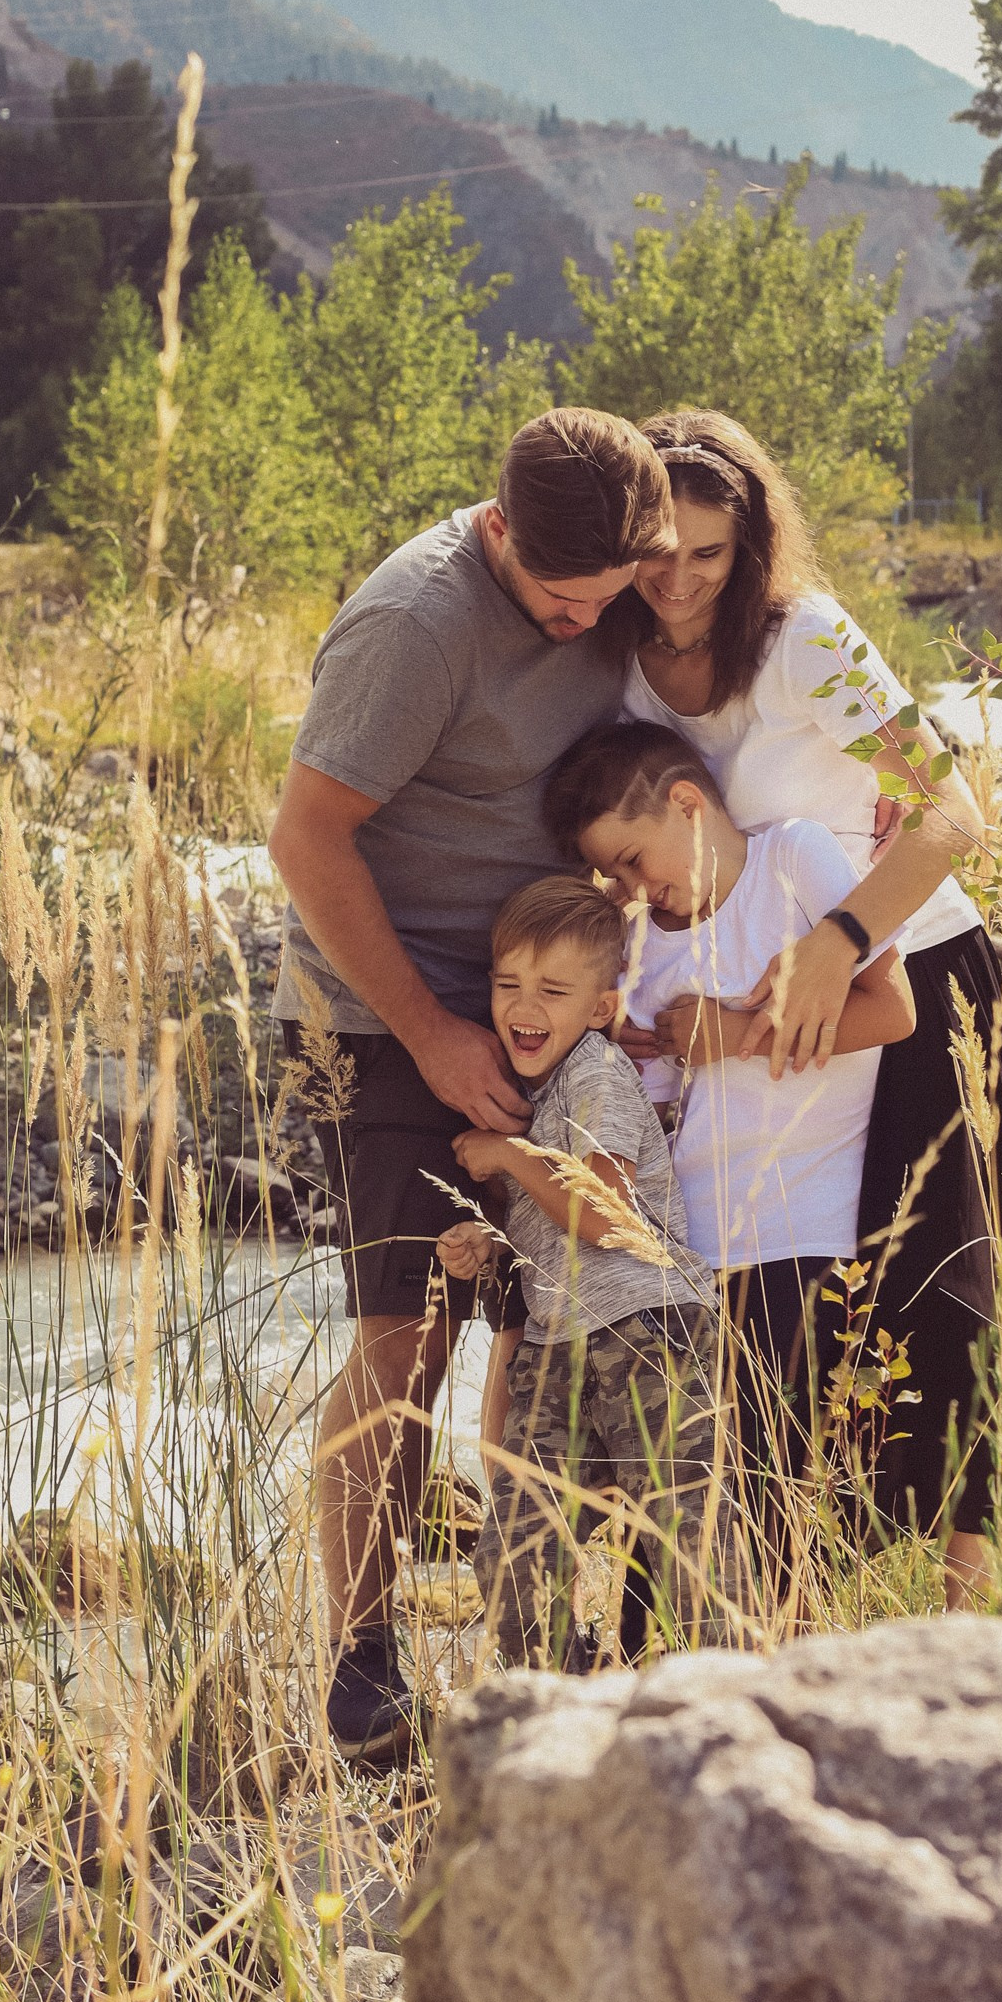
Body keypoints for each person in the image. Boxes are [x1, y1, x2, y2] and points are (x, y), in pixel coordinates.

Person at [268, 408, 674, 1762]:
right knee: (412, 1331)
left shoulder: (619, 582)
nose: (580, 629)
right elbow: (306, 836)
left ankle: (542, 1631)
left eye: (602, 603)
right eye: (558, 603)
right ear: (498, 532)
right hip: (390, 1014)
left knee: (556, 1310)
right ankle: (364, 1659)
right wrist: (436, 1037)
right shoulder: (416, 627)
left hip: (546, 1007)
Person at [611, 409, 1002, 1607]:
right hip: (761, 1003)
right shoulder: (610, 658)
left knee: (944, 1290)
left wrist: (839, 936)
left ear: (746, 546)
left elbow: (952, 813)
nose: (680, 580)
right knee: (787, 1306)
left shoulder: (801, 635)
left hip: (906, 971)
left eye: (708, 553)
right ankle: (776, 1590)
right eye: (658, 550)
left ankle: (973, 1623)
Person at [544, 722, 915, 1602]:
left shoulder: (793, 859)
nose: (637, 887)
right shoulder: (641, 940)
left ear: (687, 802)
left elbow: (891, 1010)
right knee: (671, 1522)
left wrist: (734, 1036)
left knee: (772, 1514)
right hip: (680, 1260)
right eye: (618, 877)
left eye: (636, 859)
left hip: (798, 1237)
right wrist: (629, 1050)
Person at [434, 872, 739, 1667]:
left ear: (601, 1007)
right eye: (507, 985)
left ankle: (742, 1712)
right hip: (558, 1345)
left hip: (648, 1332)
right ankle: (569, 1709)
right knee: (513, 1556)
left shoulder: (597, 1071)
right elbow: (558, 1223)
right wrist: (490, 1244)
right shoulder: (538, 1094)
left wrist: (506, 1155)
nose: (523, 1009)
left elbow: (601, 1217)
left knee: (689, 1548)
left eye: (553, 991)